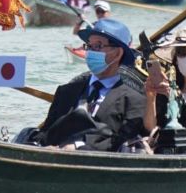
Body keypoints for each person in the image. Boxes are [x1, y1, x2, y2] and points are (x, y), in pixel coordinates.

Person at [39, 19, 146, 151]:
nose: (90, 52)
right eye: (89, 46)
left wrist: (79, 147)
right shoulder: (65, 92)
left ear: (117, 53)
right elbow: (45, 133)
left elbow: (122, 143)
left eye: (98, 46)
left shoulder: (134, 100)